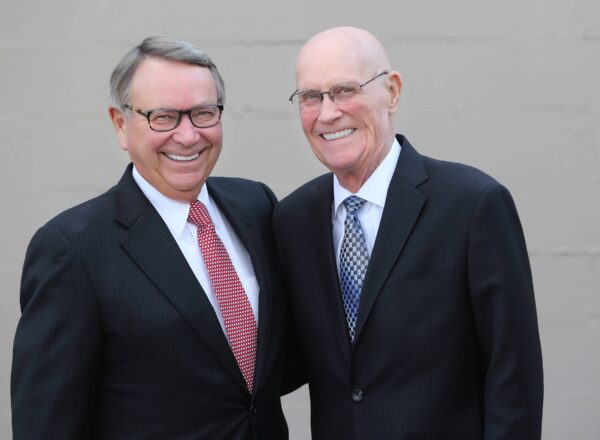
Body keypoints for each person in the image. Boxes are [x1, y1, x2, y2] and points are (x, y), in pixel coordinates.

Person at [12, 36, 288, 439]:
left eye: (203, 113)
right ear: (120, 124)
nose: (189, 135)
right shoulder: (71, 248)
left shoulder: (256, 207)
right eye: (163, 117)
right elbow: (47, 424)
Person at [274, 26, 544, 439]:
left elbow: (514, 377)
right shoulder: (293, 219)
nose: (327, 113)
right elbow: (287, 363)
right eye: (311, 96)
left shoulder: (472, 204)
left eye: (345, 90)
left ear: (392, 92)